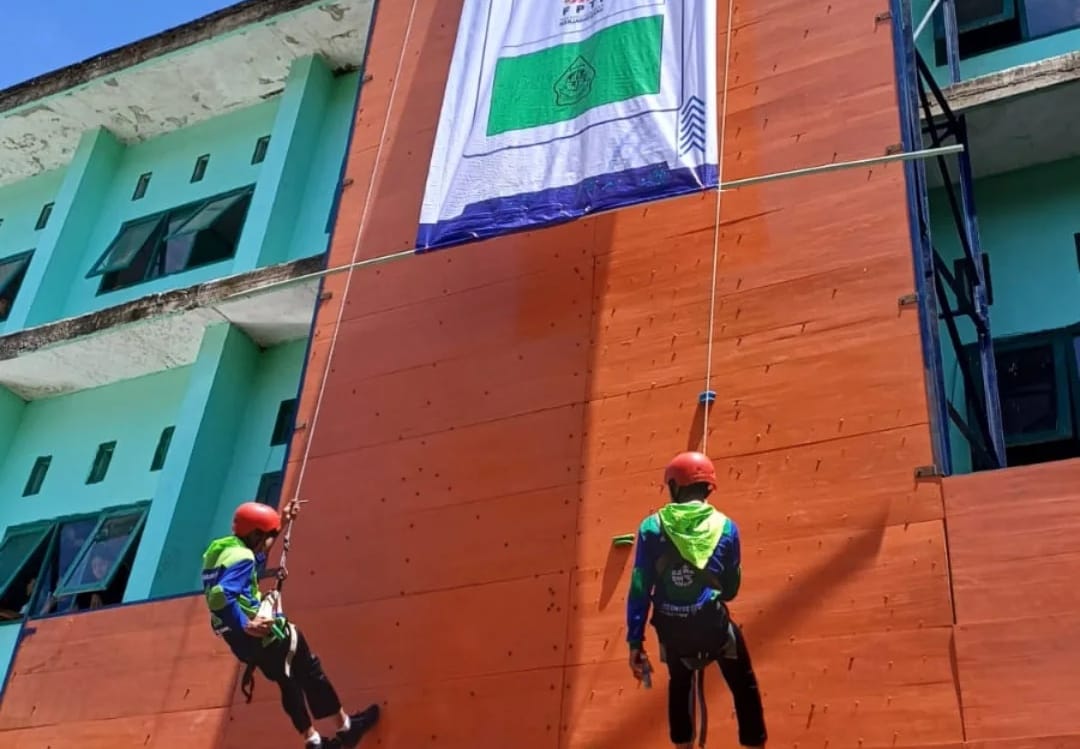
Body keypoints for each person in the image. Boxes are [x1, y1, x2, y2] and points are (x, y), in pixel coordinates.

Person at [201, 500, 380, 748]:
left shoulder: (222, 552)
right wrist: (246, 623)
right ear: (255, 535)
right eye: (266, 536)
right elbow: (220, 595)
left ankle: (313, 741)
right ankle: (347, 728)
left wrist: (282, 521)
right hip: (266, 635)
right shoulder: (243, 558)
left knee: (287, 681)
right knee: (310, 671)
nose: (267, 541)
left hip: (243, 645)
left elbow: (254, 557)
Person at [626, 451, 767, 749]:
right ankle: (754, 743)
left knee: (680, 683)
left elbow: (640, 587)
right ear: (708, 488)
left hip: (673, 632)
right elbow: (730, 589)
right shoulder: (727, 527)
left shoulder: (651, 528)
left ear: (674, 487)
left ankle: (683, 746)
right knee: (744, 684)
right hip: (712, 628)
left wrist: (635, 642)